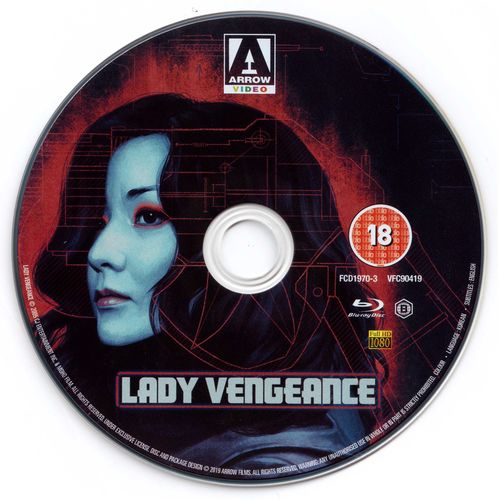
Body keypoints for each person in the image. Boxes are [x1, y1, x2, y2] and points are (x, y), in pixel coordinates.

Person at [34, 94, 386, 476]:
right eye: (101, 221)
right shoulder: (101, 401)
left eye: (149, 216)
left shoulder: (280, 460)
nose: (99, 252)